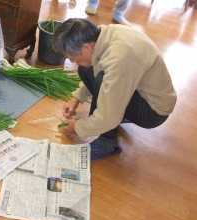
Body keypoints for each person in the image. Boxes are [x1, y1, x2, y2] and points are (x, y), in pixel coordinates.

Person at [53, 18, 177, 160]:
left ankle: (106, 142)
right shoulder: (101, 35)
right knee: (85, 69)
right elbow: (97, 66)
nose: (73, 62)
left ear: (86, 47)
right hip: (138, 89)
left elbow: (109, 117)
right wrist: (76, 98)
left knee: (101, 82)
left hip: (153, 111)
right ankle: (121, 113)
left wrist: (77, 128)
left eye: (73, 57)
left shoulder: (119, 58)